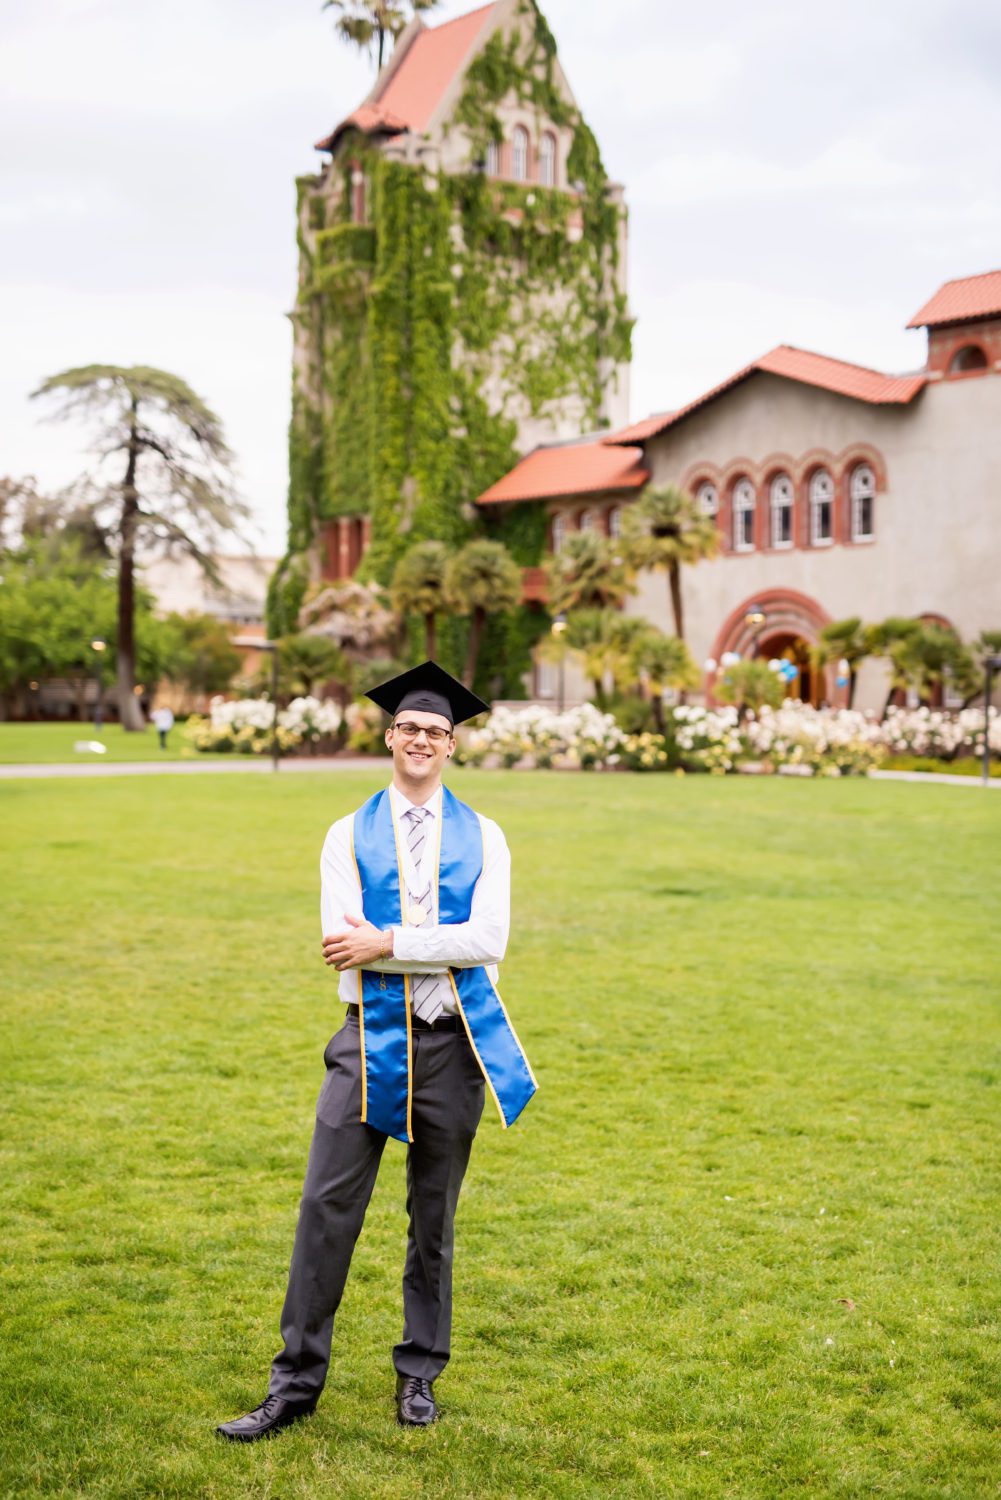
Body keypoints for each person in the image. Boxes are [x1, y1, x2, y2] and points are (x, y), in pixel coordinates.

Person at [217, 661, 537, 1442]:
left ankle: (419, 1373)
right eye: (409, 729)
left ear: (452, 744)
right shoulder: (344, 834)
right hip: (366, 1046)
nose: (421, 740)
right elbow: (341, 946)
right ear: (389, 736)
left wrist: (389, 938)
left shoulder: (485, 836)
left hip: (453, 1050)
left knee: (433, 1220)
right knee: (324, 1211)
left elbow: (488, 939)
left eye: (435, 730)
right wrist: (419, 947)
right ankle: (293, 1385)